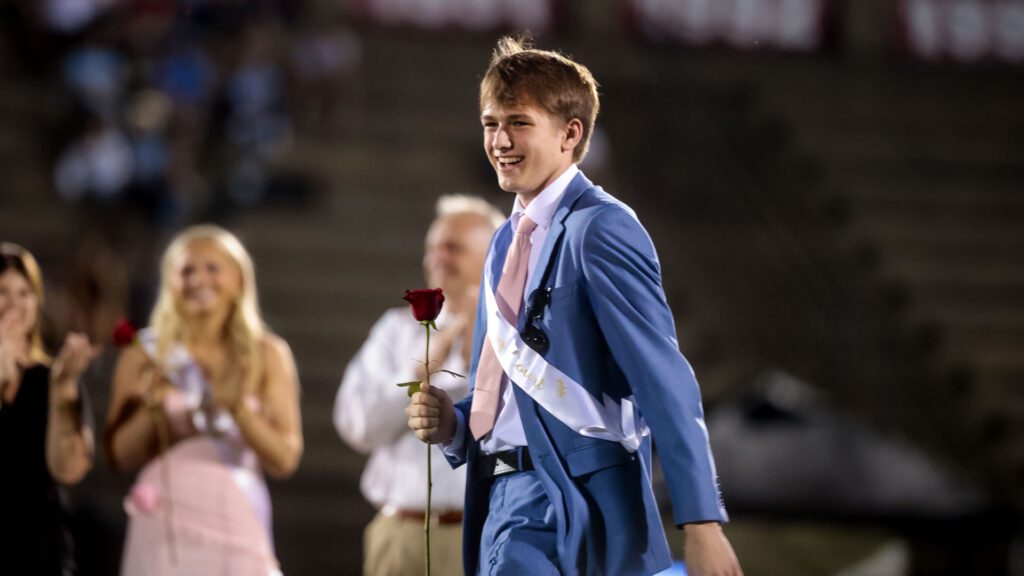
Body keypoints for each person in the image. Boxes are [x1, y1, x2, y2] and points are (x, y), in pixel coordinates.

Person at [406, 37, 744, 576]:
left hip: (576, 506)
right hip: (499, 500)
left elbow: (663, 378)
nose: (499, 140)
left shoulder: (601, 227)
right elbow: (505, 394)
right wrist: (454, 423)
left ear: (570, 134)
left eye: (519, 123)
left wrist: (703, 522)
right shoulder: (502, 241)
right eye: (491, 124)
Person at [105, 225, 303, 575]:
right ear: (169, 281)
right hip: (165, 519)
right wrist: (151, 410)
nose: (199, 280)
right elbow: (118, 456)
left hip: (237, 514)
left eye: (212, 268)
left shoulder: (267, 353)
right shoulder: (144, 354)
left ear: (239, 279)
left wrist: (239, 411)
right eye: (187, 270)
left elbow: (285, 459)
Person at [335, 194, 504, 576]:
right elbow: (358, 427)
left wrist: (480, 350)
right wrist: (422, 369)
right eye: (434, 247)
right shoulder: (395, 330)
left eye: (453, 248)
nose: (439, 257)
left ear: (491, 256)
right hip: (398, 532)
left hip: (480, 531)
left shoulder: (515, 335)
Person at [0, 242, 96, 575]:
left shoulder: (53, 378)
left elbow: (69, 470)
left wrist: (63, 389)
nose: (14, 304)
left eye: (24, 293)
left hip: (40, 554)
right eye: (3, 291)